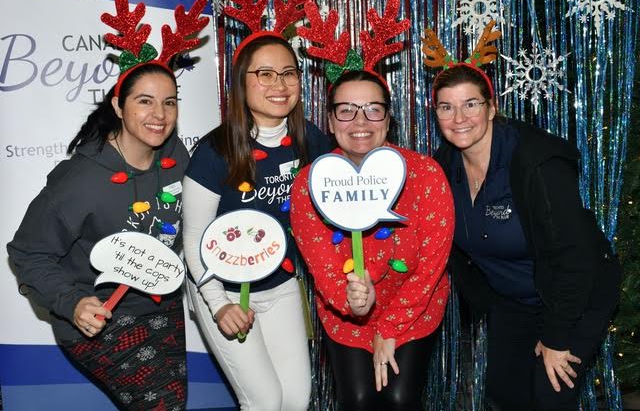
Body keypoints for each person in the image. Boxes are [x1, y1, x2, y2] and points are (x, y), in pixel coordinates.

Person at [432, 63, 621, 410]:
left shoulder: (537, 161)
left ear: (491, 108)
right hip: (512, 299)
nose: (459, 117)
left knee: (549, 396)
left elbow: (574, 256)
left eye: (471, 104)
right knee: (505, 395)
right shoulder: (443, 166)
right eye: (447, 107)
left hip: (575, 294)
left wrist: (556, 335)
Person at [7, 62, 190, 409]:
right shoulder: (80, 179)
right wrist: (71, 302)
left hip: (162, 305)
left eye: (169, 102)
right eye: (145, 101)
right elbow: (27, 252)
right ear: (119, 106)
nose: (160, 114)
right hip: (99, 316)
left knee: (170, 404)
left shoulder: (176, 157)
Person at [290, 70, 454, 410]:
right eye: (346, 109)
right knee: (359, 400)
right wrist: (353, 301)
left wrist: (390, 325)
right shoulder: (310, 184)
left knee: (399, 398)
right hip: (347, 313)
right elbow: (324, 270)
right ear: (331, 121)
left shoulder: (425, 174)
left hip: (413, 305)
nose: (360, 121)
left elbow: (431, 266)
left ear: (388, 118)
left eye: (373, 109)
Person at [182, 33, 330, 410]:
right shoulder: (214, 152)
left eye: (288, 73)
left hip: (280, 286)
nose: (279, 85)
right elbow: (195, 236)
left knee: (295, 401)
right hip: (222, 290)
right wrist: (217, 304)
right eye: (264, 74)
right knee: (264, 401)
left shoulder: (309, 140)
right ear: (241, 83)